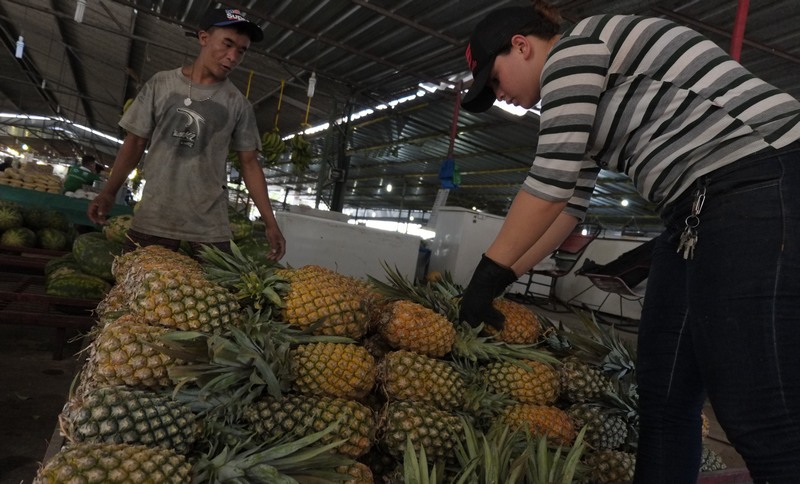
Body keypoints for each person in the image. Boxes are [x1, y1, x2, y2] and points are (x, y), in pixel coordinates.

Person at [458, 3, 800, 483]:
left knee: (760, 412)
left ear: (521, 45)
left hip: (757, 181)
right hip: (696, 211)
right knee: (663, 399)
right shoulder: (585, 95)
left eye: (494, 81)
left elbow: (548, 183)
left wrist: (485, 274)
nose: (502, 97)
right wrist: (503, 278)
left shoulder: (572, 53)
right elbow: (566, 208)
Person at [87, 7, 285, 260]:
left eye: (242, 51)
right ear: (204, 38)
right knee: (135, 292)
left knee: (215, 297)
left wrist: (270, 222)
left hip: (209, 227)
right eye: (227, 44)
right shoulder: (162, 84)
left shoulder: (238, 104)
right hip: (155, 216)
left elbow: (249, 163)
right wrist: (108, 191)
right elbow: (135, 142)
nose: (233, 56)